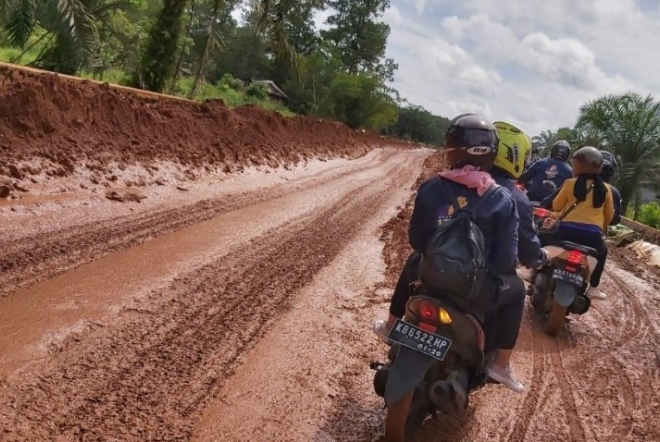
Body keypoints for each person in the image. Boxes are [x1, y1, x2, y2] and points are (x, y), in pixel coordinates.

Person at [373, 114, 526, 392]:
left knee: (412, 261)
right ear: (491, 154)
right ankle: (500, 365)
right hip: (474, 290)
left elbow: (417, 239)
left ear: (451, 149)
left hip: (430, 277)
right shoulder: (503, 199)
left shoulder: (432, 187)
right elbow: (505, 261)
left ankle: (391, 325)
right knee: (517, 289)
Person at [542, 146, 614, 300]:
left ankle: (530, 268)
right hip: (592, 235)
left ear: (576, 166)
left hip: (566, 230)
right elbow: (609, 215)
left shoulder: (569, 183)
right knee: (602, 253)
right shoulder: (606, 189)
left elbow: (556, 205)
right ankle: (593, 288)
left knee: (543, 235)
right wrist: (603, 227)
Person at [541, 149, 622, 226]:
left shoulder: (570, 183)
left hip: (566, 227)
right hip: (594, 232)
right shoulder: (610, 190)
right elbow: (612, 218)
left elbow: (553, 205)